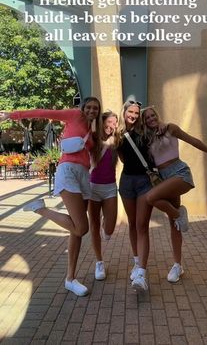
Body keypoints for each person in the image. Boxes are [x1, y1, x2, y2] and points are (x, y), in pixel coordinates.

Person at [0, 97, 102, 296]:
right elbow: (43, 112)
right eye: (89, 107)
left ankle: (70, 279)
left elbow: (94, 153)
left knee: (76, 230)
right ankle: (40, 208)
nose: (91, 110)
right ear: (83, 108)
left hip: (83, 175)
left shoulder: (94, 131)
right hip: (68, 171)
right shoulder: (73, 115)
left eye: (95, 108)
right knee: (82, 227)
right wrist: (12, 115)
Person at [142, 106, 207, 283]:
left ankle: (179, 214)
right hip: (163, 178)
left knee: (150, 198)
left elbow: (192, 140)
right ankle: (178, 265)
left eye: (153, 115)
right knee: (174, 224)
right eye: (147, 118)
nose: (151, 119)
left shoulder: (170, 128)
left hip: (179, 172)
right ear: (144, 121)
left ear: (157, 115)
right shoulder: (147, 138)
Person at [115, 100, 155, 292]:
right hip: (127, 182)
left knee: (142, 225)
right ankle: (137, 261)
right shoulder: (119, 135)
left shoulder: (145, 132)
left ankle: (142, 273)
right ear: (124, 113)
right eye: (130, 112)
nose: (133, 115)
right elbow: (122, 158)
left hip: (144, 182)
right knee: (132, 223)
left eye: (136, 113)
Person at [88, 111, 118, 281]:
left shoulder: (117, 141)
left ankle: (106, 227)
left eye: (114, 122)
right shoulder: (93, 138)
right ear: (102, 122)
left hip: (110, 188)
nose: (111, 125)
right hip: (92, 187)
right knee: (94, 224)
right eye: (108, 122)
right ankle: (99, 262)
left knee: (110, 228)